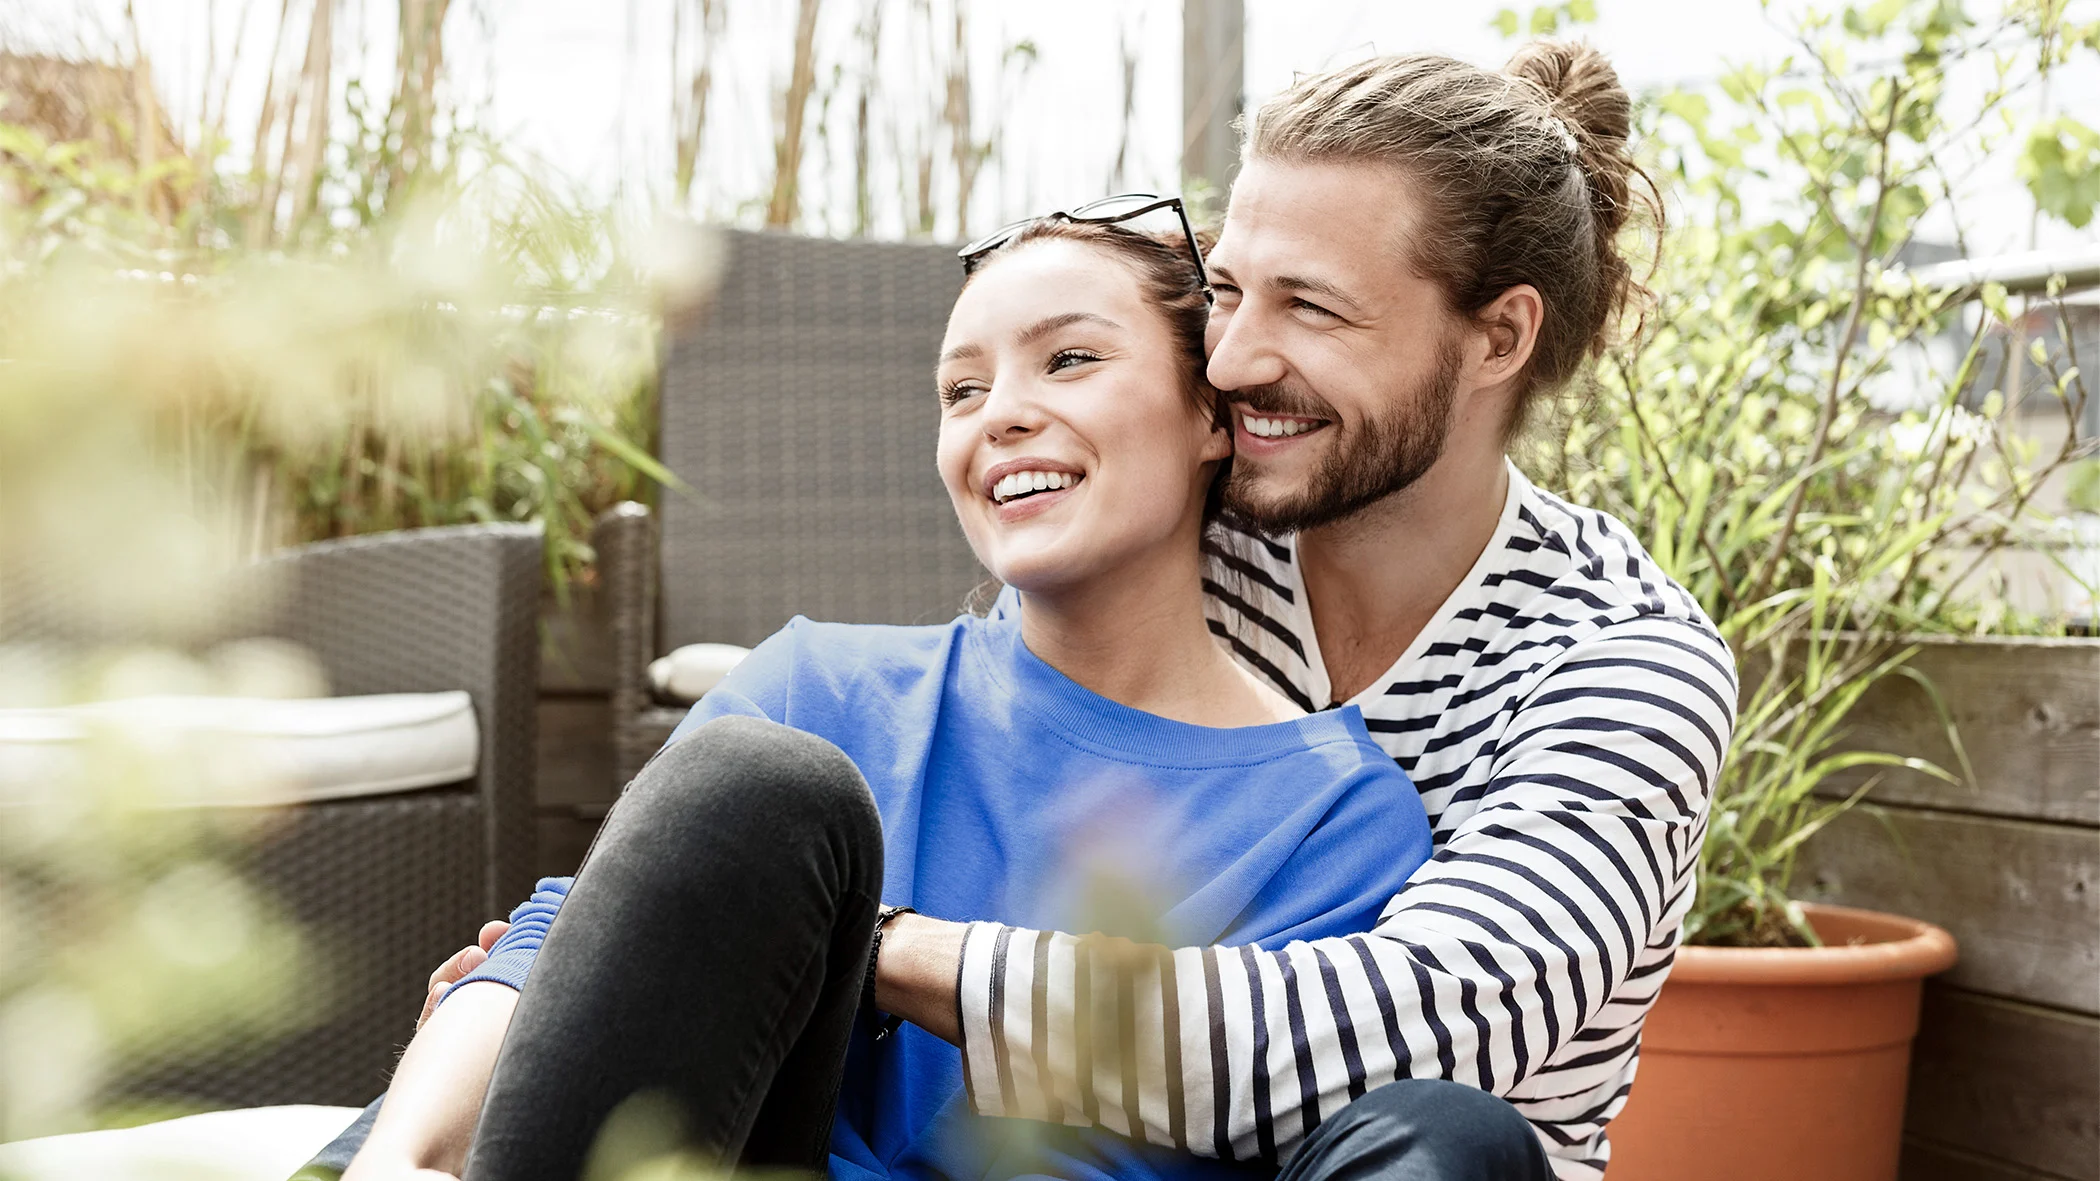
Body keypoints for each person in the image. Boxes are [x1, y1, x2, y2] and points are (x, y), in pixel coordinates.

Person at [417, 39, 1735, 1181]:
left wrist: (857, 942)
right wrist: (594, 980)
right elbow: (963, 755)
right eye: (1227, 290)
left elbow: (1391, 1029)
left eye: (1310, 308)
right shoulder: (1207, 529)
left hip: (1377, 1140)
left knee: (1441, 1133)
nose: (1232, 357)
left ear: (1499, 338)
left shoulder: (1621, 664)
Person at [323, 200, 1549, 1181]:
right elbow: (558, 941)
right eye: (962, 391)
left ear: (1210, 416)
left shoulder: (1337, 819)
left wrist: (861, 950)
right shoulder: (820, 685)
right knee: (757, 790)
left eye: (1069, 359)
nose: (1003, 414)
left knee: (1460, 1135)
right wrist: (400, 1154)